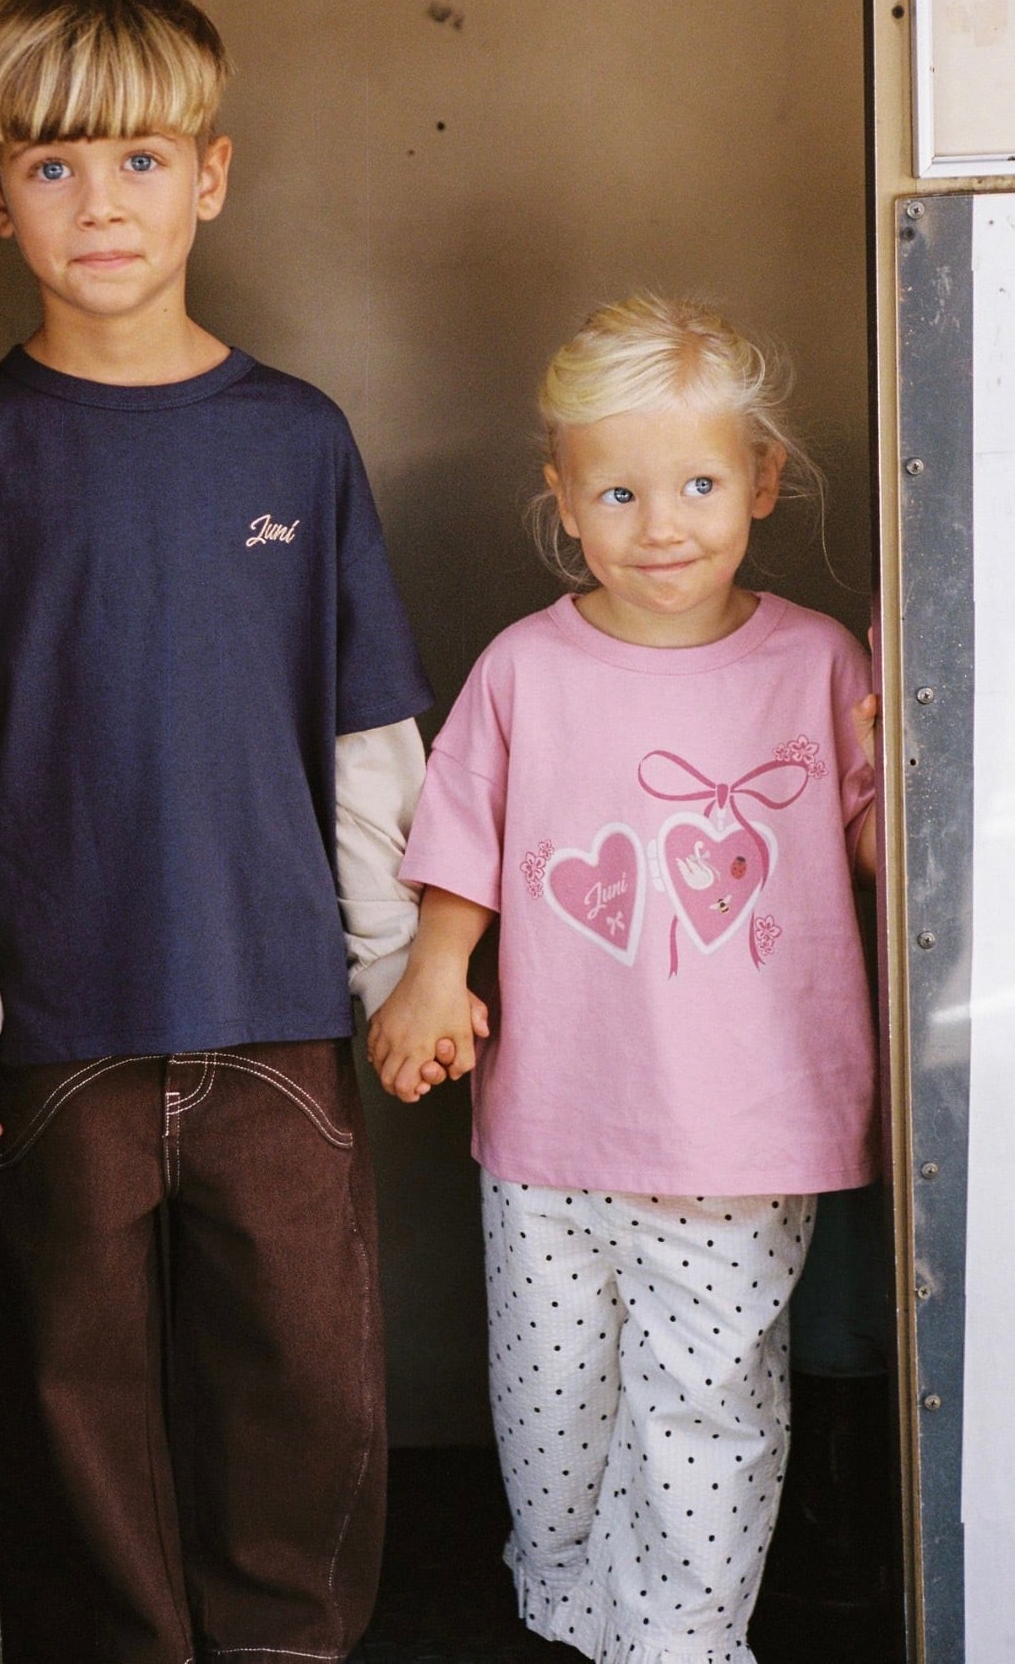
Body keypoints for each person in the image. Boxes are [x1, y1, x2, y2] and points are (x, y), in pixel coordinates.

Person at [0, 0, 434, 1663]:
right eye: (54, 166)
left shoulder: (294, 439)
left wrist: (395, 968)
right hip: (54, 1031)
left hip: (275, 1012)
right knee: (78, 1386)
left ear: (210, 176)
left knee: (301, 1371)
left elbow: (367, 735)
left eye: (140, 160)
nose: (102, 204)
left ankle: (285, 1643)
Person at [367, 295, 878, 1664]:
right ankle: (570, 1618)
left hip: (742, 1131)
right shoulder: (527, 666)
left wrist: (928, 731)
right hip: (553, 1125)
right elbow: (464, 835)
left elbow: (884, 852)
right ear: (563, 498)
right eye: (619, 492)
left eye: (699, 483)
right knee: (554, 1406)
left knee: (703, 1408)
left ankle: (680, 1643)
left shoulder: (818, 662)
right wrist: (434, 970)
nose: (662, 526)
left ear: (761, 480)